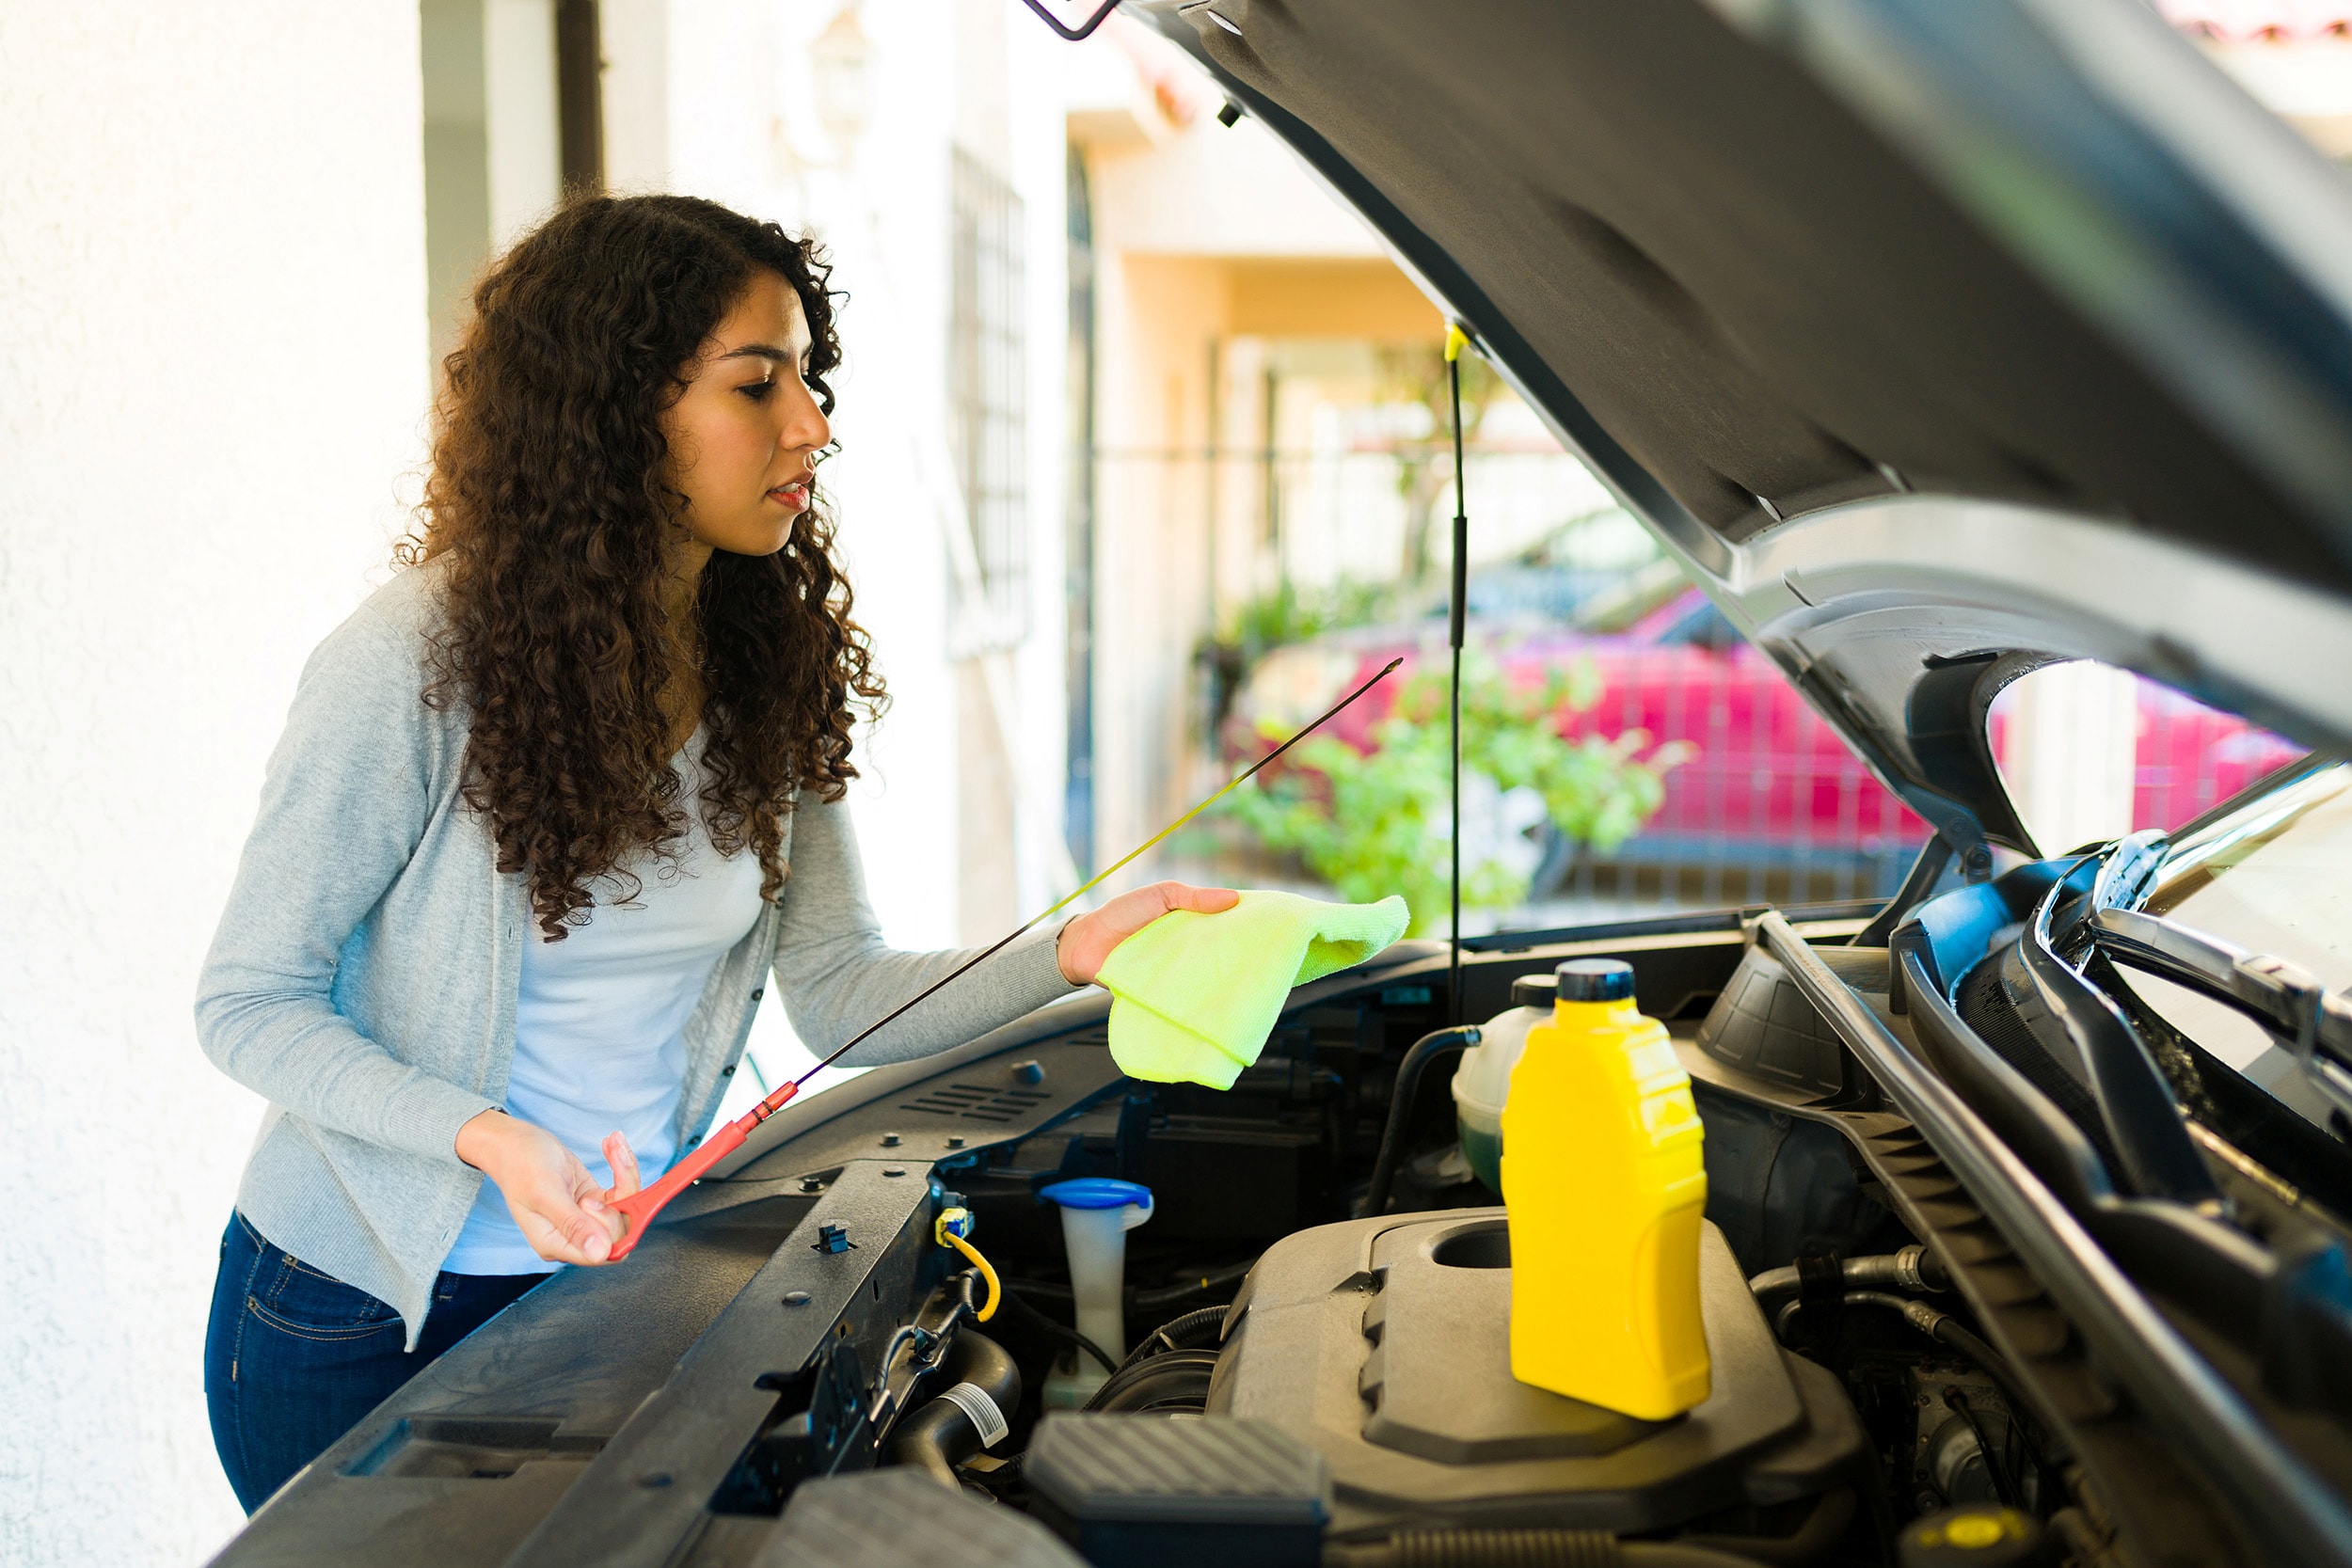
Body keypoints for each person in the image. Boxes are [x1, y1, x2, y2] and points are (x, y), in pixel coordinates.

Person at [195, 194, 1235, 1513]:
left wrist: (1077, 951)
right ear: (617, 412)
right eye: (760, 384)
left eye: (809, 378)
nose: (811, 423)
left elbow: (843, 990)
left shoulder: (762, 663)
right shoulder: (410, 659)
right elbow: (248, 1003)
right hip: (356, 1320)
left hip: (610, 1291)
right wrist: (485, 1138)